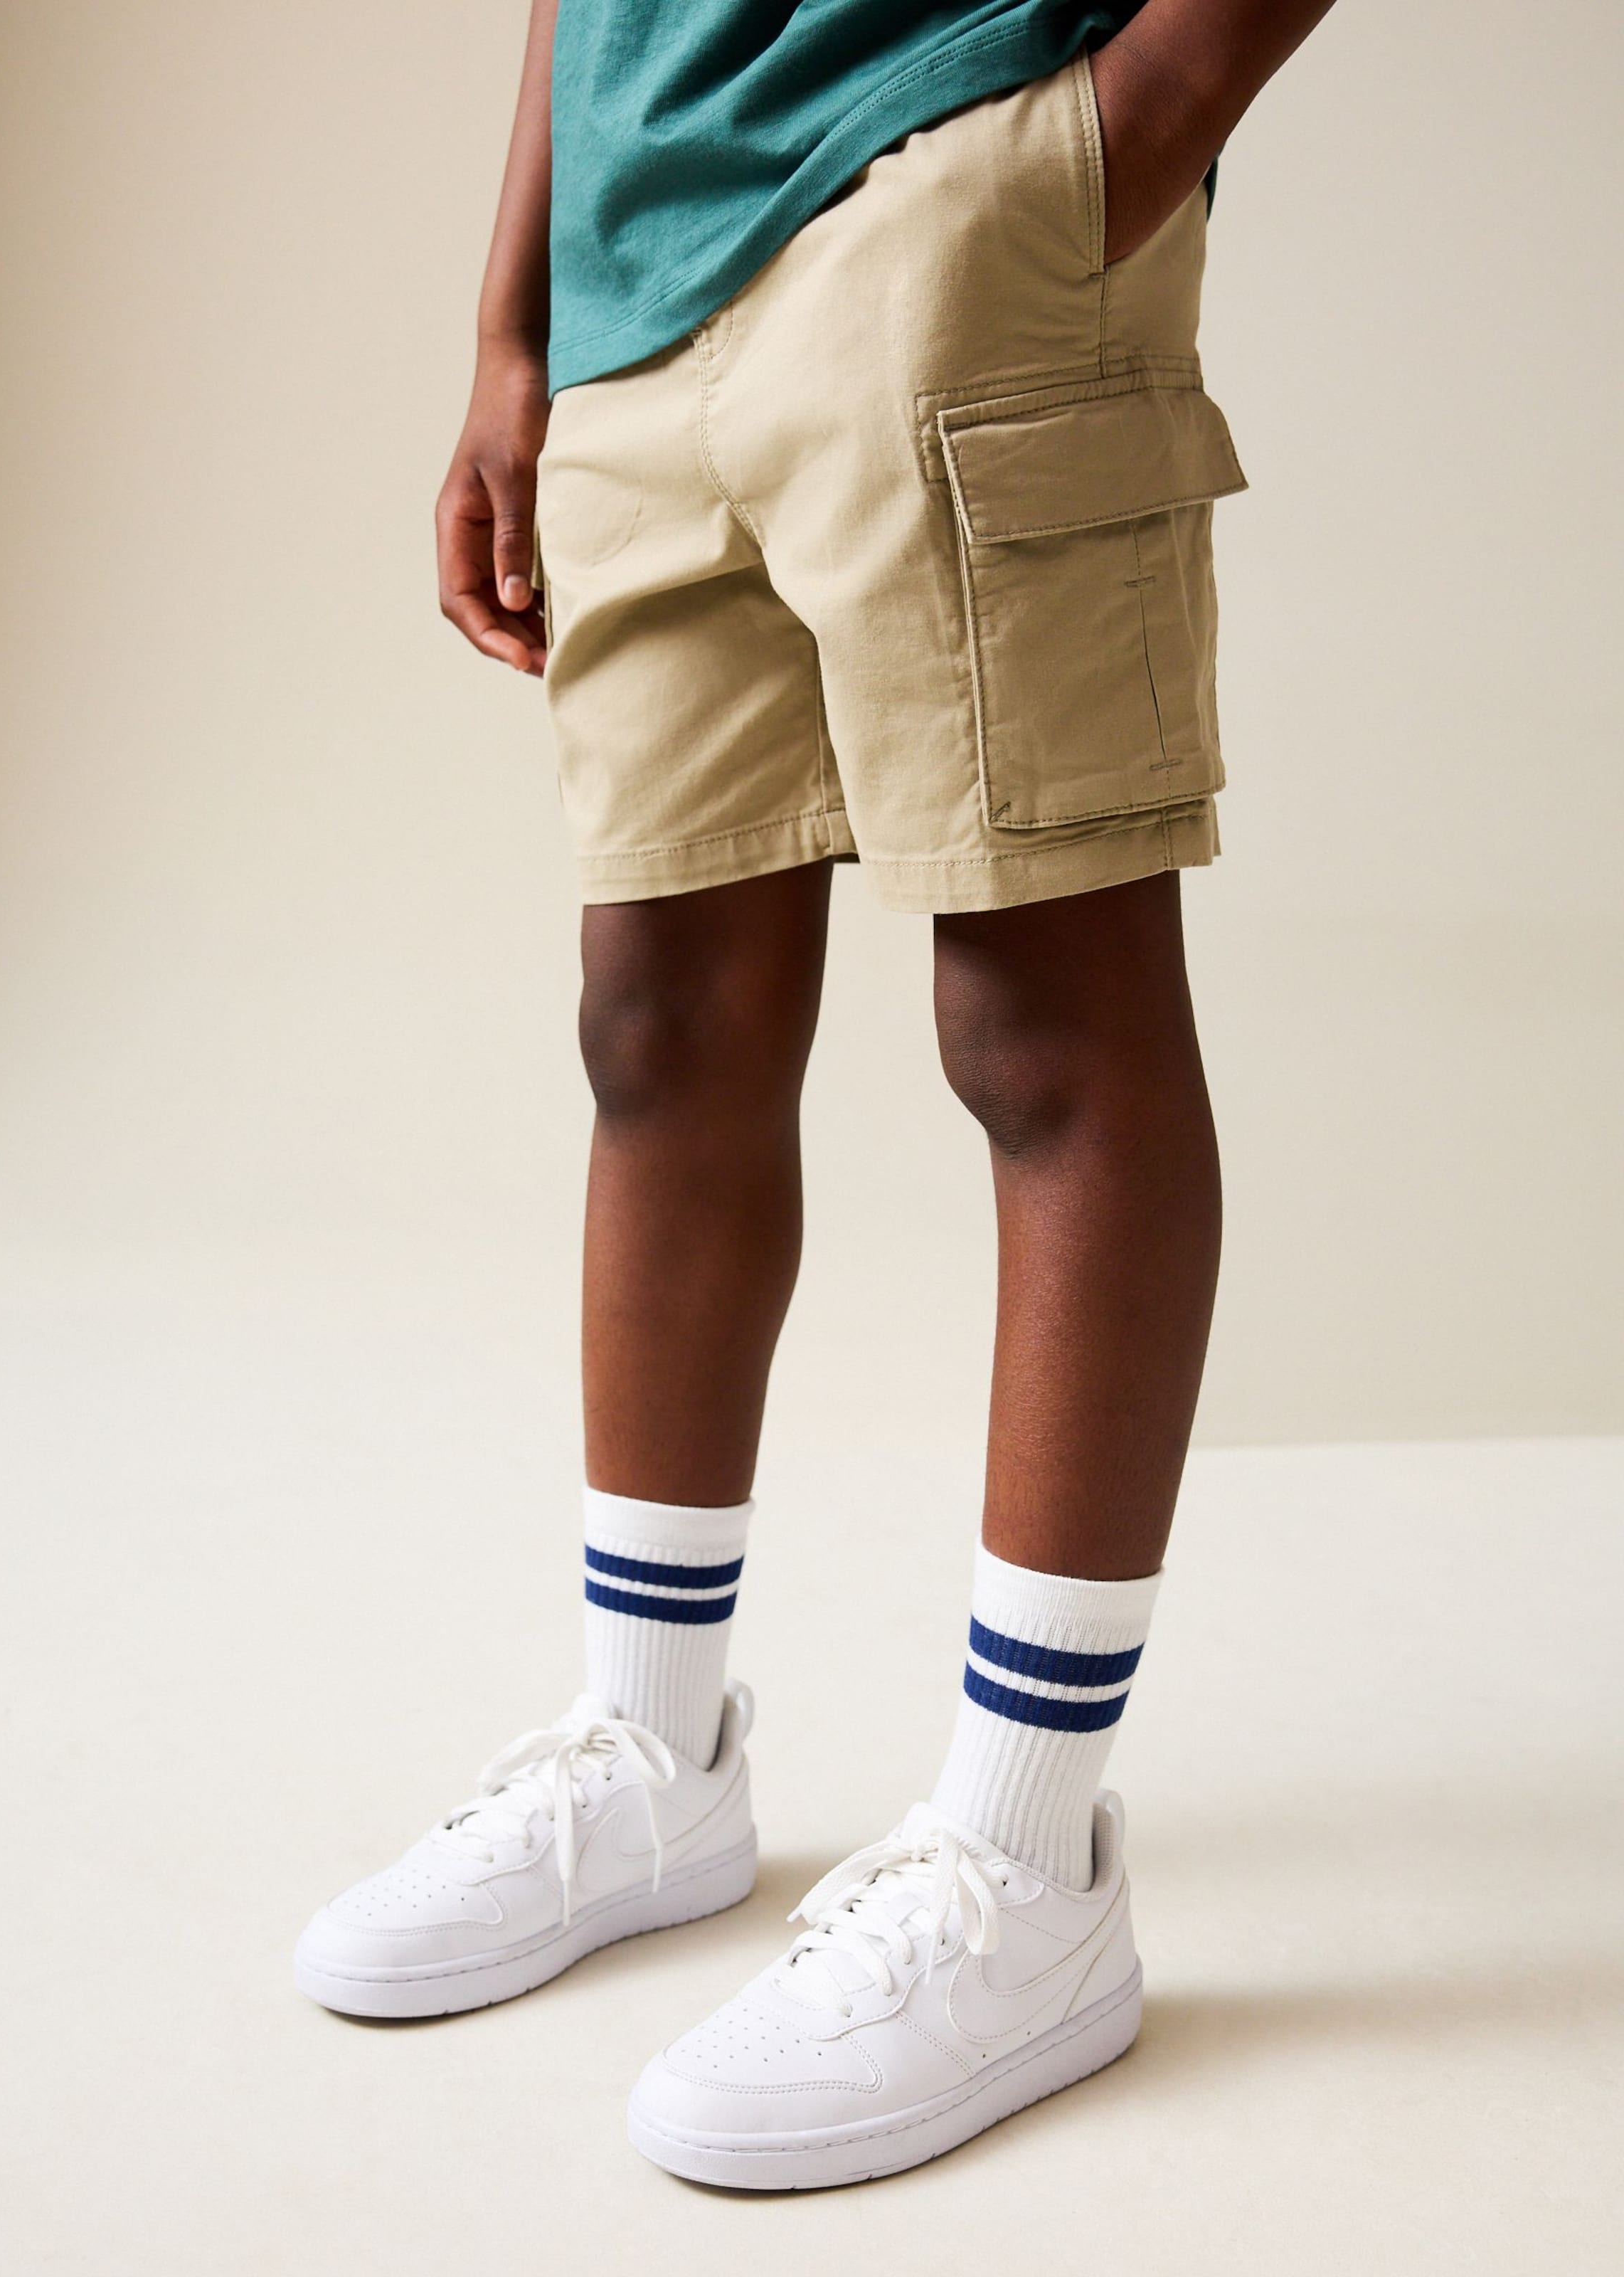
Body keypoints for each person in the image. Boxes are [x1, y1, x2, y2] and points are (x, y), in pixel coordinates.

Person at [295, 0, 1335, 2188]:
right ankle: (654, 1755)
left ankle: (1029, 1862)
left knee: (1044, 1028)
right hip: (634, 293)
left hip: (954, 179)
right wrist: (512, 328)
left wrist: (1129, 126)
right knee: (656, 1028)